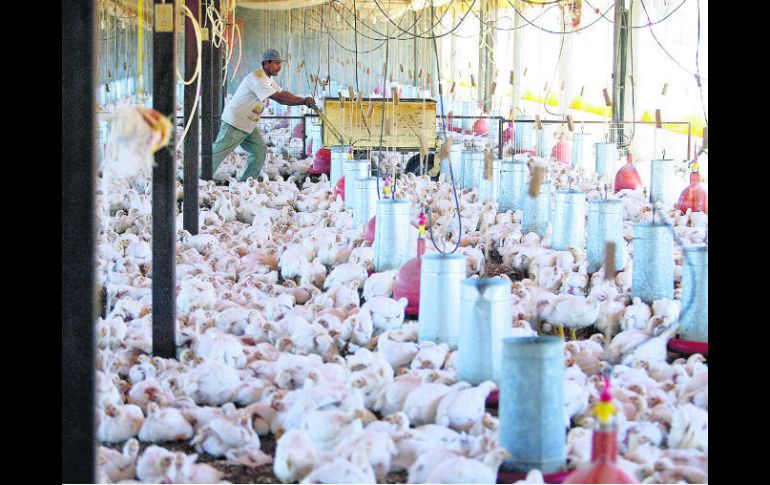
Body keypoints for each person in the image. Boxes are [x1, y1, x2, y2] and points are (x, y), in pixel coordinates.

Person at [211, 49, 317, 181]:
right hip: (236, 122)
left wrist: (303, 100)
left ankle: (246, 184)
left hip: (247, 123)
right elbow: (280, 98)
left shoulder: (269, 81)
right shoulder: (258, 78)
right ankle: (196, 180)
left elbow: (284, 94)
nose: (279, 67)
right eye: (276, 63)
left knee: (259, 150)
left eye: (280, 63)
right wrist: (303, 101)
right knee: (217, 153)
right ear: (266, 63)